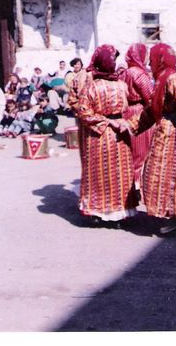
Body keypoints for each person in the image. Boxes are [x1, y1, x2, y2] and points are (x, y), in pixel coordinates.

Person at [126, 43, 176, 234]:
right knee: (163, 174)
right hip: (166, 131)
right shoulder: (162, 79)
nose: (150, 63)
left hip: (175, 133)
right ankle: (175, 214)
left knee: (173, 174)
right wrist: (130, 126)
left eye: (153, 59)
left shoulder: (172, 79)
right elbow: (152, 110)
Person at [76, 45, 138, 226]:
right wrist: (118, 121)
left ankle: (99, 212)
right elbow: (128, 105)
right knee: (119, 174)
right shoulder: (121, 86)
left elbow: (84, 112)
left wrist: (106, 121)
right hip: (119, 134)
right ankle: (120, 213)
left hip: (99, 136)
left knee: (99, 174)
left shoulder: (91, 87)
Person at [119, 44, 154, 187]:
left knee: (131, 153)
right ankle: (137, 186)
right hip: (139, 113)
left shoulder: (124, 73)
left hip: (126, 112)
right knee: (141, 153)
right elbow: (150, 97)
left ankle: (129, 184)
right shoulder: (139, 73)